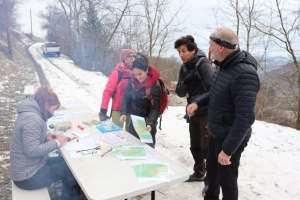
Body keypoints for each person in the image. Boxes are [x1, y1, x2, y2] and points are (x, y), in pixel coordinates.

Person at [187, 27, 260, 200]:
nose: (209, 49)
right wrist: (198, 102)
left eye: (211, 45)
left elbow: (245, 117)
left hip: (230, 137)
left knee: (227, 181)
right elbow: (215, 92)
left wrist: (227, 150)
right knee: (212, 175)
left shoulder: (244, 74)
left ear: (221, 47)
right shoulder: (223, 66)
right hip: (217, 132)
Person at [10, 86, 81, 200]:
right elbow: (32, 150)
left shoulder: (30, 114)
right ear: (46, 105)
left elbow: (30, 141)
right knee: (70, 170)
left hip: (30, 168)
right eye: (53, 109)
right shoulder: (32, 119)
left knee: (66, 163)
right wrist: (57, 143)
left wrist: (45, 138)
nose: (53, 114)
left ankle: (70, 195)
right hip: (27, 178)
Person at [174, 35, 214, 183]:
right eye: (179, 51)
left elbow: (213, 90)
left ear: (193, 50)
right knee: (195, 145)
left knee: (207, 148)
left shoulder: (203, 64)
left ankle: (210, 181)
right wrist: (185, 82)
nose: (181, 55)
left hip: (206, 112)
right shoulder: (184, 67)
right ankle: (199, 173)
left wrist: (197, 101)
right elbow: (179, 92)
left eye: (184, 51)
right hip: (193, 112)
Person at [120, 53, 161, 148]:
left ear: (146, 70)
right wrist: (124, 112)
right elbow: (126, 97)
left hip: (147, 123)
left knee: (148, 148)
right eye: (135, 74)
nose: (138, 77)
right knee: (133, 146)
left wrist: (150, 123)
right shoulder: (132, 81)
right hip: (135, 120)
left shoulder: (155, 86)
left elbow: (155, 108)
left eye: (140, 74)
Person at [99, 49, 136, 131]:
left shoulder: (136, 73)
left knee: (131, 137)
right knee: (116, 134)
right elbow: (107, 92)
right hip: (118, 109)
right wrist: (103, 110)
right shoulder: (117, 73)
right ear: (124, 58)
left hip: (132, 109)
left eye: (134, 56)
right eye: (129, 56)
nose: (132, 58)